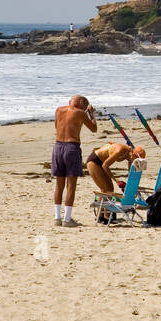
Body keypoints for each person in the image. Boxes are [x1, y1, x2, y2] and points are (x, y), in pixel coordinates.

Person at [51, 95, 96, 227]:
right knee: (71, 185)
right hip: (71, 147)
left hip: (58, 146)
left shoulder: (59, 110)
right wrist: (91, 114)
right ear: (81, 103)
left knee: (59, 185)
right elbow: (94, 128)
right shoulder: (80, 113)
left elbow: (56, 126)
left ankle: (57, 217)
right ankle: (67, 219)